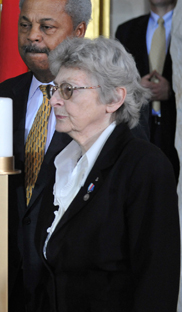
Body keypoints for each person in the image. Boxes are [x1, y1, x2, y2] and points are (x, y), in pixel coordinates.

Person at [35, 36, 180, 311]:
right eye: (54, 89)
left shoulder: (144, 165)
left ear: (113, 99)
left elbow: (156, 283)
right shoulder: (61, 163)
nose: (53, 100)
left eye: (68, 90)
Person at [0, 0, 90, 312]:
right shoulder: (0, 97)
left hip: (73, 286)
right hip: (6, 286)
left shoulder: (104, 107)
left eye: (47, 26)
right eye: (25, 24)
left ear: (78, 32)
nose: (32, 36)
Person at [115, 0, 180, 179]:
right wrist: (135, 86)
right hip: (140, 128)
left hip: (175, 126)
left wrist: (171, 90)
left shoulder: (181, 28)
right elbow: (115, 80)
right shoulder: (127, 30)